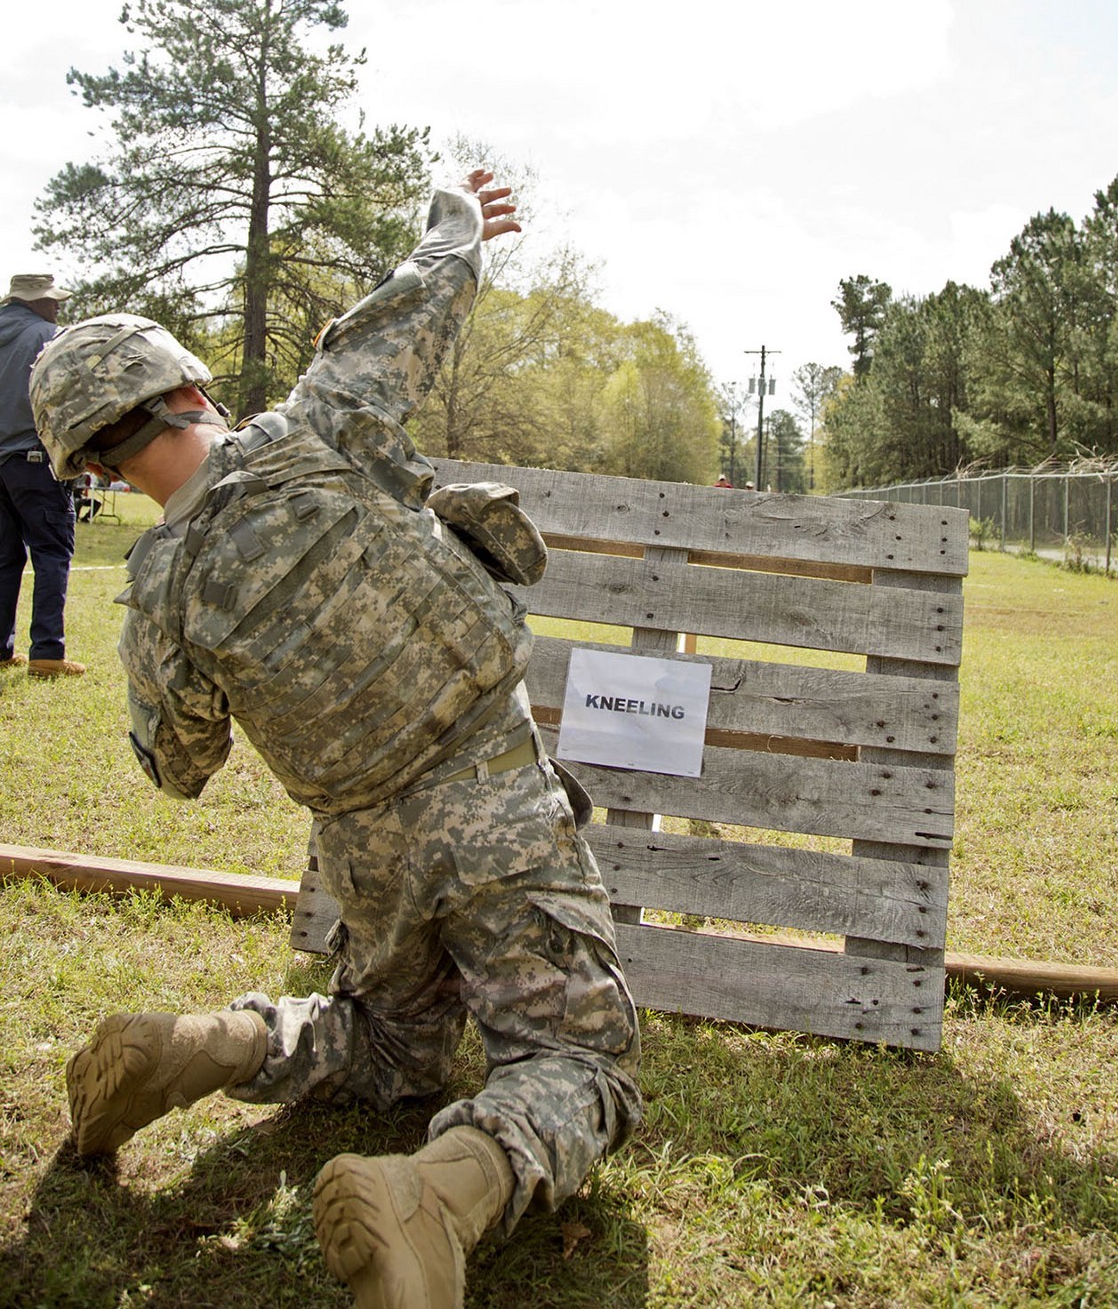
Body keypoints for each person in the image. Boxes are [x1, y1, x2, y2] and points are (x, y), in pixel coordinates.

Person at [29, 172, 641, 1309]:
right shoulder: (321, 422)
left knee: (387, 1044)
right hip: (494, 803)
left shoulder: (158, 588)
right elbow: (424, 295)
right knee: (575, 1059)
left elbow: (178, 767)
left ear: (99, 465)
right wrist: (455, 211)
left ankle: (204, 1047)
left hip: (367, 856)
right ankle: (444, 1199)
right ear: (188, 385)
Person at [0, 272, 86, 678]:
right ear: (35, 301)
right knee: (51, 553)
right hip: (34, 459)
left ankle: (1, 648)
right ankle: (48, 652)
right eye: (53, 300)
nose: (58, 306)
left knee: (4, 558)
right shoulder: (49, 337)